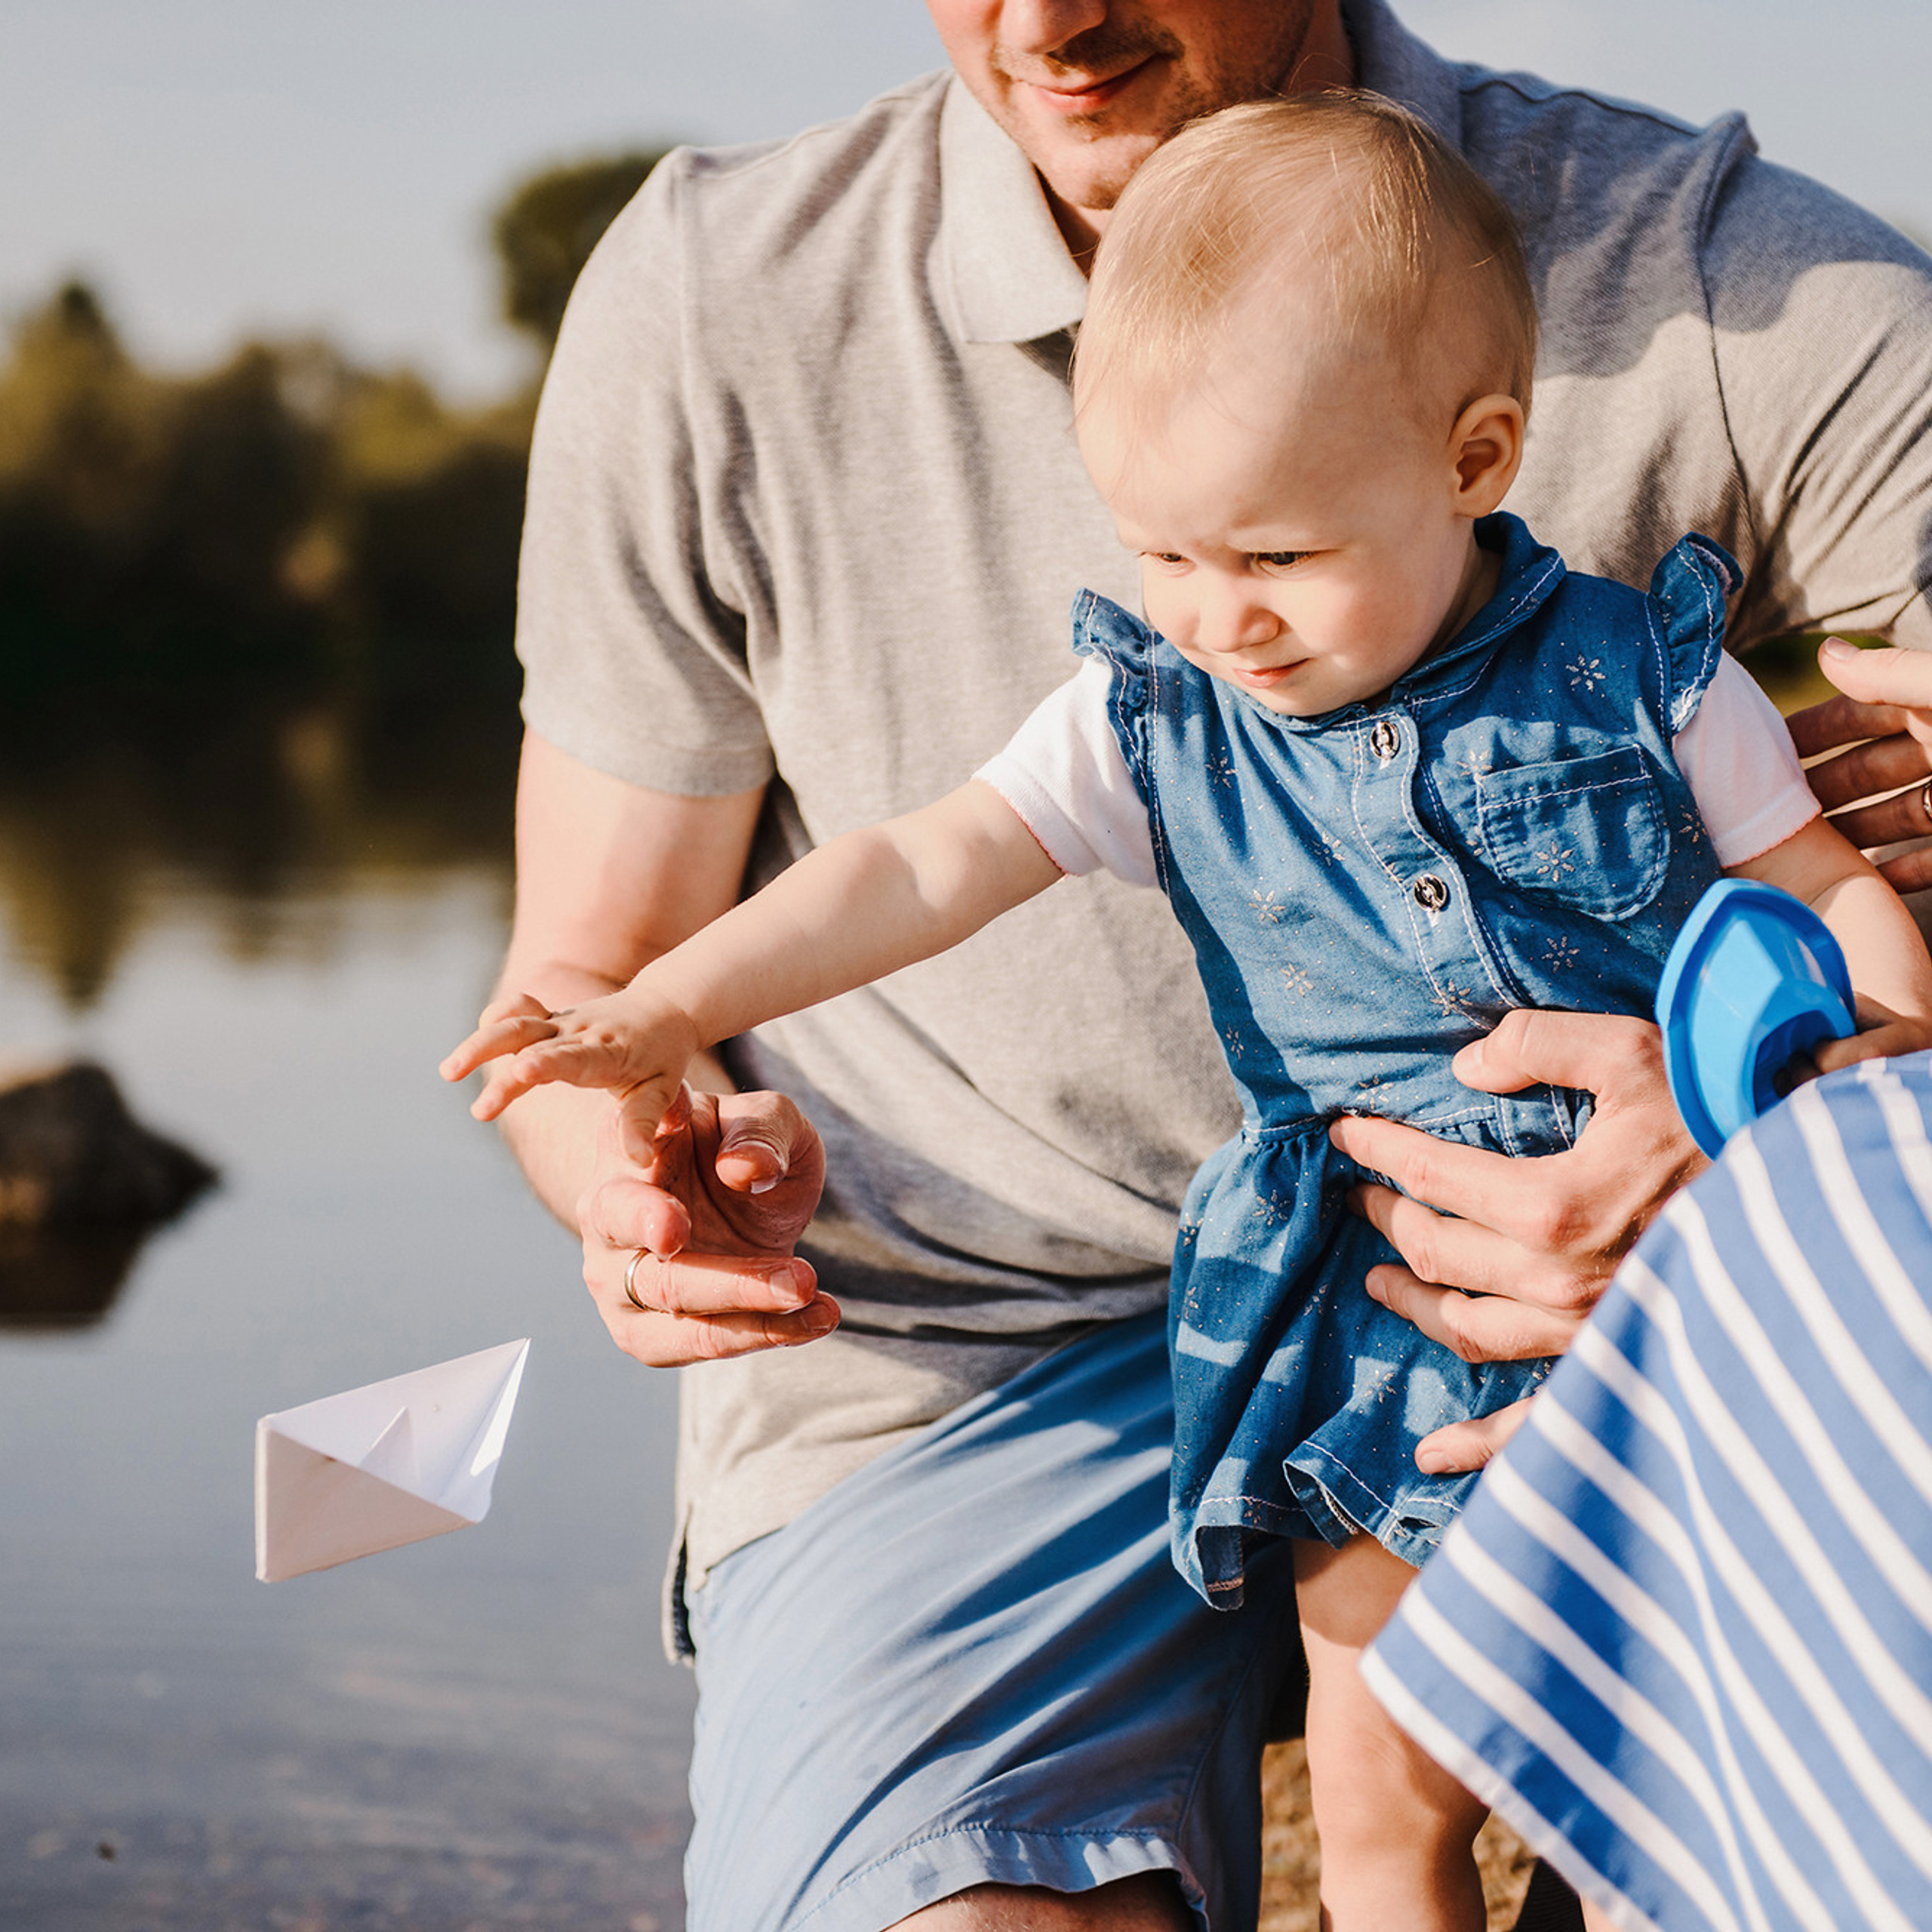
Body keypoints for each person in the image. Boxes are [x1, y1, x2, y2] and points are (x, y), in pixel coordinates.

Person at [485, 2, 1932, 1924]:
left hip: (1628, 1308)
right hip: (967, 1352)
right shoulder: (733, 308)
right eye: (1163, 557)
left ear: (1478, 449)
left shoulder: (1712, 295)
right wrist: (637, 1123)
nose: (1050, 17)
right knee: (1348, 1769)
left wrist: (1802, 1143)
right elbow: (830, 887)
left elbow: (1828, 899)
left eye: (1273, 555)